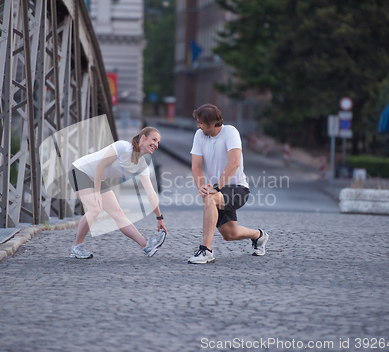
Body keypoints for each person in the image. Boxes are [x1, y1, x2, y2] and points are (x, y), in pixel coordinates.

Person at [68, 127, 167, 259]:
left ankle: (146, 245)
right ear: (143, 137)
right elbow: (100, 165)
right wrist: (97, 192)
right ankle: (77, 247)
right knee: (95, 208)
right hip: (80, 171)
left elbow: (151, 193)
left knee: (118, 213)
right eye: (154, 139)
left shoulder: (142, 165)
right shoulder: (122, 147)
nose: (156, 144)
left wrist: (159, 218)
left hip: (98, 177)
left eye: (158, 142)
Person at [188, 104, 268, 264]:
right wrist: (202, 186)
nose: (198, 125)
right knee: (230, 234)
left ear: (211, 124)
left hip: (238, 189)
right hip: (218, 191)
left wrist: (216, 187)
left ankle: (206, 250)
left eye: (201, 123)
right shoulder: (199, 135)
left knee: (210, 199)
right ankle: (259, 236)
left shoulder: (230, 132)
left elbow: (234, 162)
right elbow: (196, 166)